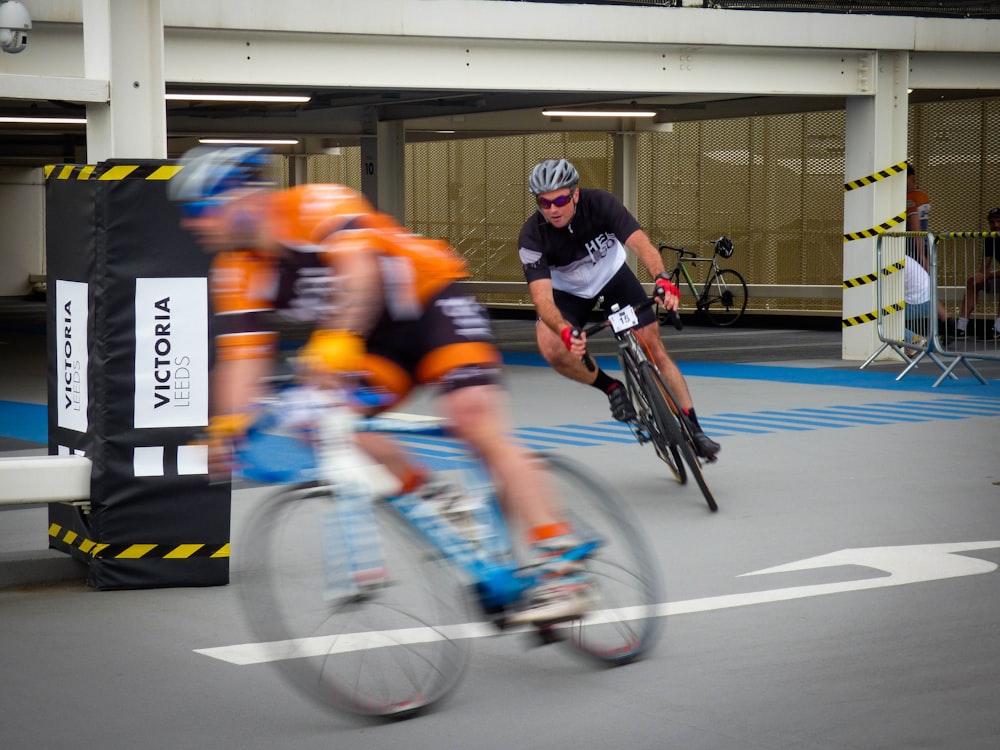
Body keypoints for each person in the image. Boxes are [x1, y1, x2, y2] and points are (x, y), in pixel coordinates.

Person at [169, 146, 592, 624]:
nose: (192, 224)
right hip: (376, 342)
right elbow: (241, 360)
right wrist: (227, 424)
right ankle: (436, 499)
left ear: (241, 199)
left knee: (473, 420)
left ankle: (562, 565)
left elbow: (360, 273)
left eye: (198, 210)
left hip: (431, 304)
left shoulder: (312, 205)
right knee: (324, 424)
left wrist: (337, 338)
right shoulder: (236, 270)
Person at [517, 158, 720, 461]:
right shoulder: (531, 236)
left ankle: (694, 427)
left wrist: (662, 279)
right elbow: (543, 299)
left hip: (612, 277)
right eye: (544, 203)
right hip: (568, 293)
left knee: (652, 346)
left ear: (575, 194)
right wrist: (565, 330)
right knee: (550, 346)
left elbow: (641, 244)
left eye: (560, 199)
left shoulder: (600, 203)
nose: (553, 209)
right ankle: (611, 387)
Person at [955, 207, 1000, 341]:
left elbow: (988, 274)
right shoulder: (990, 237)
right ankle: (961, 327)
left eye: (999, 221)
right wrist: (981, 276)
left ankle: (997, 329)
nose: (995, 225)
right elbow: (984, 267)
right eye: (992, 222)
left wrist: (988, 275)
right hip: (997, 277)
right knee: (973, 281)